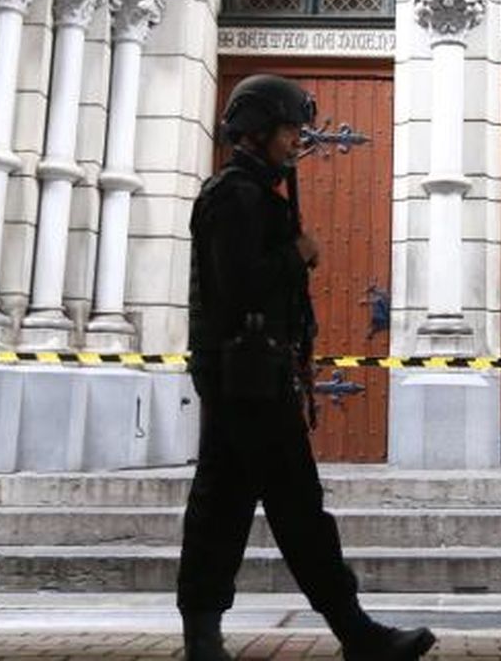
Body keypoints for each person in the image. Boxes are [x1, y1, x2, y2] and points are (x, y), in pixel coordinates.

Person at [177, 74, 436, 661]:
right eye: (290, 129)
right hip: (247, 380)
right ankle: (353, 631)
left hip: (256, 375)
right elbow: (237, 286)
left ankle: (205, 636)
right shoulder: (234, 196)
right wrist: (296, 255)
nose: (298, 141)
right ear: (260, 129)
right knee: (292, 508)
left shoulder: (255, 193)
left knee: (224, 505)